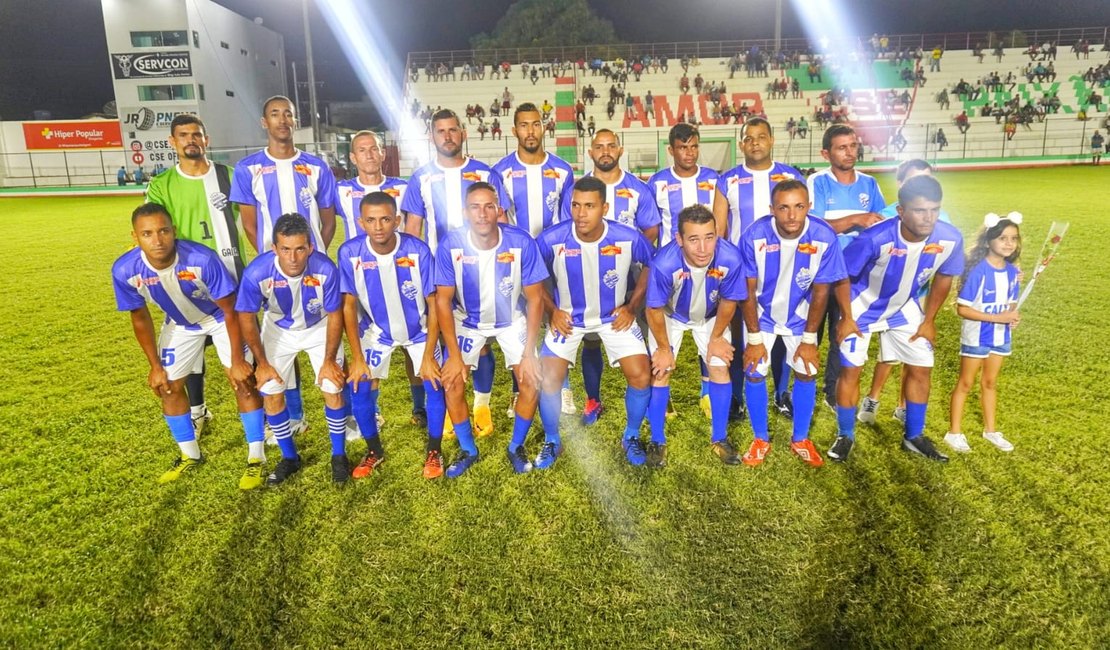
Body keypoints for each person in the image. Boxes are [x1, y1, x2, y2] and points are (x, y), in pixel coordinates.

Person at [111, 203, 266, 488]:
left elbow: (230, 310)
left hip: (219, 318)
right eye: (147, 234)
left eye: (163, 231)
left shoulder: (200, 259)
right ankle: (189, 455)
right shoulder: (125, 269)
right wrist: (154, 366)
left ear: (174, 231)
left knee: (243, 382)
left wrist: (237, 360)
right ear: (135, 237)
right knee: (167, 387)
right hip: (181, 324)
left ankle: (257, 457)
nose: (157, 240)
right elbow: (140, 317)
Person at [828, 175, 964, 463]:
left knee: (921, 366)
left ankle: (913, 436)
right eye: (919, 210)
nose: (928, 218)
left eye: (934, 210)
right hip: (861, 308)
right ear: (901, 211)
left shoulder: (950, 238)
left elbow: (944, 276)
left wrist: (929, 320)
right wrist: (846, 317)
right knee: (851, 371)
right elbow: (843, 275)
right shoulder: (875, 237)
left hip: (903, 308)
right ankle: (845, 434)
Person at [231, 95, 337, 434]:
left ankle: (332, 412)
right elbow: (249, 223)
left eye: (288, 114)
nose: (281, 119)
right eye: (274, 114)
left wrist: (313, 252)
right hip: (273, 271)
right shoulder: (248, 168)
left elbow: (328, 219)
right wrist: (271, 258)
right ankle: (294, 415)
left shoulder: (316, 166)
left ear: (295, 121)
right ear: (265, 122)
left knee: (313, 331)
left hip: (310, 266)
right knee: (282, 336)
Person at [401, 108, 507, 437]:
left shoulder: (485, 174)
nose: (447, 136)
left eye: (452, 130)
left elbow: (500, 222)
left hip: (479, 271)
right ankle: (446, 404)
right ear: (432, 137)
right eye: (440, 131)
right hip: (438, 273)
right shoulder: (420, 177)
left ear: (463, 134)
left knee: (482, 340)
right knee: (442, 341)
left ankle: (481, 403)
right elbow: (412, 231)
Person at [536, 176, 655, 467]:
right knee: (548, 379)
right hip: (569, 320)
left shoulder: (626, 237)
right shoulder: (552, 238)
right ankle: (552, 440)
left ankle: (631, 435)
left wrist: (632, 306)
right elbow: (532, 277)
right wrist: (552, 310)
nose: (580, 213)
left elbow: (653, 265)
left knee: (641, 374)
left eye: (589, 206)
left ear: (605, 207)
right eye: (576, 205)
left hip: (613, 318)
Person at [433, 182, 549, 477]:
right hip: (468, 320)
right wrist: (455, 356)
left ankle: (516, 445)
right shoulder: (451, 245)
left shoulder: (521, 242)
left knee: (530, 379)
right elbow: (443, 302)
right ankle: (468, 448)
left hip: (511, 319)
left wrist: (528, 353)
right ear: (465, 212)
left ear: (499, 210)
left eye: (489, 207)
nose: (482, 214)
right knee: (453, 381)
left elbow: (535, 299)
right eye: (475, 207)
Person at [146, 114, 247, 437]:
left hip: (231, 278)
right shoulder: (161, 185)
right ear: (172, 142)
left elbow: (249, 220)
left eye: (197, 135)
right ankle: (198, 411)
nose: (191, 140)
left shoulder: (228, 176)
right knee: (192, 348)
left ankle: (262, 421)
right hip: (184, 282)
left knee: (242, 352)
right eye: (184, 135)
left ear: (207, 140)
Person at [338, 191, 449, 479]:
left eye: (385, 219)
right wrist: (357, 357)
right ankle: (374, 450)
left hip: (420, 332)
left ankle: (434, 451)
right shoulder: (350, 253)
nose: (378, 227)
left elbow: (434, 303)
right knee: (360, 386)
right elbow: (348, 307)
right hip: (378, 333)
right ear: (361, 222)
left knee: (434, 382)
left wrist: (427, 355)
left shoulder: (417, 250)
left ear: (397, 220)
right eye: (371, 220)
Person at [737, 179, 846, 467]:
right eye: (783, 208)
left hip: (801, 316)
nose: (792, 215)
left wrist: (810, 341)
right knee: (754, 372)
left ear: (809, 206)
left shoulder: (824, 236)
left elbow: (822, 290)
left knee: (807, 371)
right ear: (772, 209)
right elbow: (746, 290)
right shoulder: (754, 235)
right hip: (761, 315)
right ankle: (761, 438)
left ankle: (800, 439)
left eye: (799, 207)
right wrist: (755, 339)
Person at [235, 214, 349, 485]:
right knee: (272, 391)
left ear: (310, 247)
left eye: (300, 249)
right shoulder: (257, 273)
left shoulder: (325, 269)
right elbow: (246, 317)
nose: (293, 257)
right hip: (279, 330)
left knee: (332, 387)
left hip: (318, 326)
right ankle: (289, 457)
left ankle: (339, 456)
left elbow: (335, 315)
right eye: (285, 249)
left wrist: (330, 359)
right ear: (274, 248)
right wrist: (261, 362)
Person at [559, 130, 662, 425]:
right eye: (599, 147)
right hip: (588, 281)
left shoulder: (638, 190)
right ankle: (593, 399)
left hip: (630, 282)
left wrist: (623, 256)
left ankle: (653, 400)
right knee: (591, 341)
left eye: (611, 146)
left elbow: (651, 231)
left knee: (637, 341)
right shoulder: (575, 190)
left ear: (620, 150)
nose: (605, 151)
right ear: (590, 152)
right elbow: (569, 230)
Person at [713, 117, 805, 420]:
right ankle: (738, 396)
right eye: (749, 138)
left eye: (761, 137)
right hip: (744, 273)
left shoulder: (790, 176)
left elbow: (802, 224)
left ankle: (781, 394)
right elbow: (720, 230)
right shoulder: (727, 180)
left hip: (785, 269)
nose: (755, 143)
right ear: (741, 144)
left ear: (772, 140)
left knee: (781, 333)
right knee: (743, 335)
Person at [333, 130, 423, 428]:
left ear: (383, 153)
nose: (369, 154)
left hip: (400, 274)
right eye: (362, 149)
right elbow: (321, 221)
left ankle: (419, 406)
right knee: (363, 341)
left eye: (375, 149)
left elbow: (413, 228)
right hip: (359, 280)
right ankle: (370, 411)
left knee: (413, 339)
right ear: (352, 157)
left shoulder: (403, 187)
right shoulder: (340, 190)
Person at [492, 103, 577, 415]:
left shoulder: (563, 170)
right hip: (514, 262)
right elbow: (499, 220)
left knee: (556, 322)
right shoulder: (500, 171)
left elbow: (569, 219)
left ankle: (563, 387)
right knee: (518, 324)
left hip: (554, 259)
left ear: (544, 128)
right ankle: (520, 388)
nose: (530, 131)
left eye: (536, 124)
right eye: (524, 125)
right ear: (514, 130)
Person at [645, 205, 746, 467]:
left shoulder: (731, 258)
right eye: (693, 239)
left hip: (711, 317)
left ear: (717, 235)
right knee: (661, 370)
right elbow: (653, 308)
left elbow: (729, 301)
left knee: (720, 367)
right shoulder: (664, 263)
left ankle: (719, 438)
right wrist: (664, 348)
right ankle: (657, 440)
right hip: (669, 315)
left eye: (709, 237)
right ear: (679, 239)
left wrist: (716, 338)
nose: (703, 248)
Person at [808, 124, 885, 410]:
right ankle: (803, 383)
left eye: (853, 145)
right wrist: (854, 220)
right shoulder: (817, 182)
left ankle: (831, 391)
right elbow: (811, 227)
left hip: (853, 275)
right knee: (810, 332)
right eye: (842, 147)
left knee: (842, 331)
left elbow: (880, 224)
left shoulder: (869, 184)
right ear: (826, 153)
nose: (850, 152)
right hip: (820, 272)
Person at [947, 212, 1022, 453]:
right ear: (989, 240)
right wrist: (998, 317)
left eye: (1013, 238)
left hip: (1000, 336)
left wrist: (1012, 316)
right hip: (976, 335)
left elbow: (1010, 303)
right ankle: (954, 433)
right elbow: (963, 309)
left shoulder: (1013, 273)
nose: (1009, 243)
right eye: (1002, 238)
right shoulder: (978, 271)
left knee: (990, 383)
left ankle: (991, 431)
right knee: (966, 383)